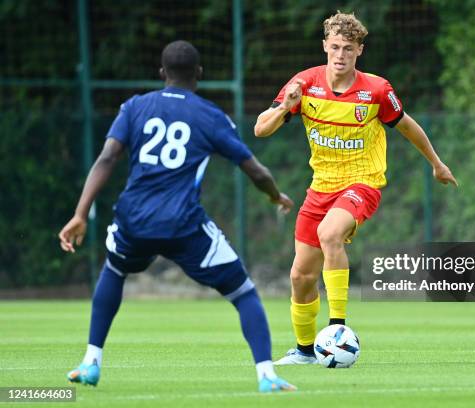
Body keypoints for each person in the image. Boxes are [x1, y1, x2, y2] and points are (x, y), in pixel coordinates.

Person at [58, 40, 296, 392]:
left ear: (161, 73)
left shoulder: (134, 107)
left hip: (133, 221)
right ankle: (267, 376)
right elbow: (255, 171)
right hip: (183, 225)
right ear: (199, 74)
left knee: (115, 269)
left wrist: (80, 214)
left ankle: (91, 362)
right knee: (244, 292)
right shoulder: (210, 116)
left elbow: (107, 159)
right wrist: (276, 195)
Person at [254, 12, 458, 365]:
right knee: (301, 276)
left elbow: (407, 126)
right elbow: (260, 130)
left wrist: (436, 164)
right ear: (324, 46)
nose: (340, 54)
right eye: (334, 46)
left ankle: (337, 330)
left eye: (348, 48)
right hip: (320, 188)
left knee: (329, 233)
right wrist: (286, 107)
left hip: (363, 182)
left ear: (359, 50)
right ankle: (304, 351)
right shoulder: (304, 84)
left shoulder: (376, 90)